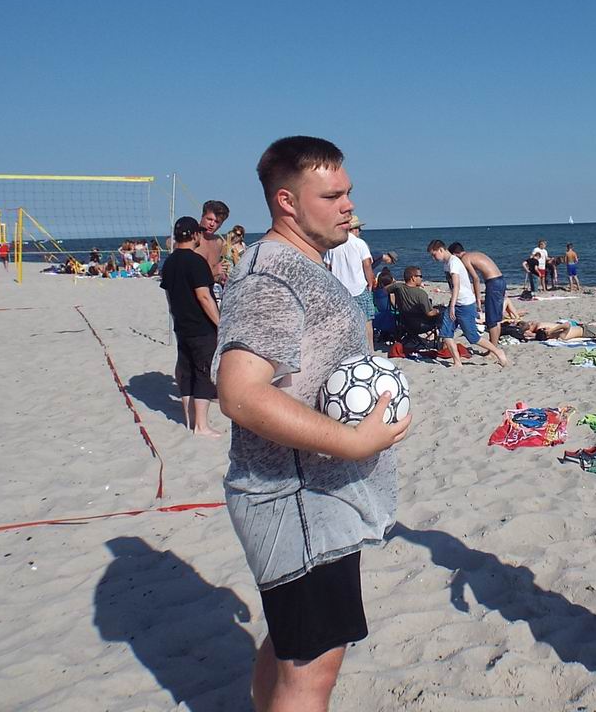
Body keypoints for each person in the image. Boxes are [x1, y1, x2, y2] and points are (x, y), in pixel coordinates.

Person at [213, 136, 410, 712]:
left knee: (290, 650)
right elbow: (240, 393)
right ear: (287, 201)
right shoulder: (272, 275)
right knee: (311, 675)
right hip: (298, 505)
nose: (349, 205)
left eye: (348, 192)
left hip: (312, 502)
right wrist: (351, 441)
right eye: (332, 196)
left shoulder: (301, 265)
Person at [159, 216, 221, 438]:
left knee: (187, 372)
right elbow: (204, 297)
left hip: (181, 325)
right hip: (200, 327)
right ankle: (201, 426)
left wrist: (175, 315)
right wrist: (220, 324)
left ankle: (190, 420)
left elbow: (169, 295)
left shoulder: (169, 262)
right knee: (203, 373)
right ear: (195, 235)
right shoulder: (196, 261)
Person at [427, 240, 508, 368]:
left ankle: (497, 351)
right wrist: (452, 304)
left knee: (472, 337)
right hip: (455, 302)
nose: (433, 258)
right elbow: (453, 287)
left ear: (441, 250)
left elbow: (457, 285)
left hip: (465, 303)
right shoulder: (446, 264)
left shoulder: (454, 262)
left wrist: (452, 305)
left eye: (434, 254)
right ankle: (457, 362)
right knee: (446, 332)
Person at [324, 216, 377, 350]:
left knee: (343, 322)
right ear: (354, 229)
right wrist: (370, 282)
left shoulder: (333, 245)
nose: (360, 232)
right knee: (366, 321)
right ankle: (369, 350)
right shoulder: (359, 243)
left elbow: (327, 267)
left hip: (339, 290)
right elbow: (367, 264)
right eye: (359, 229)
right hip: (358, 288)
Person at [448, 243, 508, 348]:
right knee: (496, 319)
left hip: (493, 282)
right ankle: (494, 347)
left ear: (455, 254)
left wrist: (478, 299)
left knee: (491, 320)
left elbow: (475, 278)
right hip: (500, 280)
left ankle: (492, 350)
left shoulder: (465, 259)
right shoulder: (474, 254)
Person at [388, 266, 442, 336]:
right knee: (443, 314)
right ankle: (444, 338)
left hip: (404, 323)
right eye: (420, 276)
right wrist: (438, 311)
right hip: (419, 325)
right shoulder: (421, 294)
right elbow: (429, 313)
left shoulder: (398, 287)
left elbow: (383, 290)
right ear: (413, 278)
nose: (421, 278)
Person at [196, 200, 231, 284]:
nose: (212, 224)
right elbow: (185, 274)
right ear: (202, 216)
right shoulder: (192, 239)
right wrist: (213, 272)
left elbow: (214, 276)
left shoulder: (219, 243)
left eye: (217, 222)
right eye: (209, 219)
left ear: (221, 224)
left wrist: (221, 278)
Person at [517, 319, 596, 342]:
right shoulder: (561, 336)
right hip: (586, 331)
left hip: (585, 329)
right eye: (546, 330)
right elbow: (566, 325)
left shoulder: (557, 335)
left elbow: (530, 336)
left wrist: (532, 337)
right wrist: (552, 330)